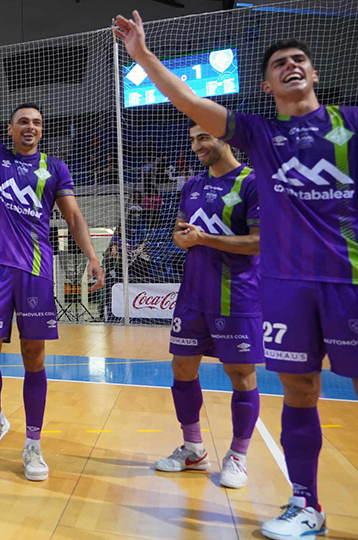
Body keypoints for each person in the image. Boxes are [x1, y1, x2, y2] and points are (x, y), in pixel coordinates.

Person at [116, 12, 357, 538]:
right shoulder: (260, 132)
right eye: (279, 63)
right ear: (266, 84)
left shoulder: (350, 124)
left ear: (314, 75)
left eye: (300, 60)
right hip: (288, 286)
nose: (291, 66)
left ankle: (246, 458)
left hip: (344, 282)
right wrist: (142, 56)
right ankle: (305, 504)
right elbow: (190, 102)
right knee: (299, 389)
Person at [0, 22, 104, 482]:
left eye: (36, 122)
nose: (31, 126)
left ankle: (33, 443)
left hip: (36, 269)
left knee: (34, 356)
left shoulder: (55, 168)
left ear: (41, 130)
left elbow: (74, 218)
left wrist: (92, 255)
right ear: (11, 129)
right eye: (23, 121)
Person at [155, 119, 262, 489]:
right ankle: (193, 448)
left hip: (236, 296)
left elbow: (259, 242)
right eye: (193, 139)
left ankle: (238, 455)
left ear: (225, 137)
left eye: (204, 137)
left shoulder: (252, 182)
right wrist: (184, 239)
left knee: (240, 375)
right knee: (181, 369)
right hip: (192, 295)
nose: (197, 145)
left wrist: (205, 239)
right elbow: (181, 230)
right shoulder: (192, 185)